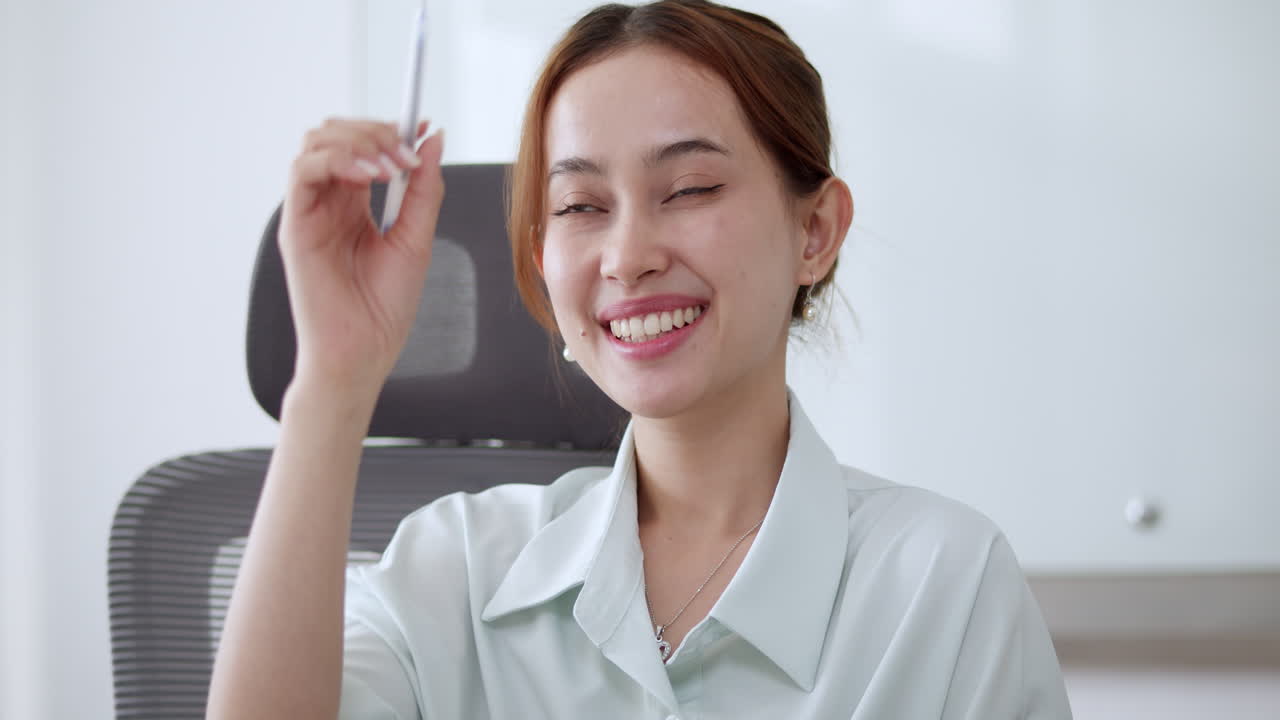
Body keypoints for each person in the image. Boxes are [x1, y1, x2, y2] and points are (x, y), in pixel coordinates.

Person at [207, 1, 1074, 718]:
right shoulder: (453, 570)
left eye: (690, 189)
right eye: (581, 205)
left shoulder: (943, 587)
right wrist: (334, 375)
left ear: (814, 232)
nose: (627, 256)